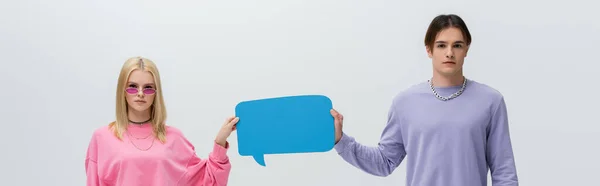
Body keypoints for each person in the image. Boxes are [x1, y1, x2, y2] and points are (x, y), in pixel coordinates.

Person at [330, 14, 519, 186]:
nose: (449, 53)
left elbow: (504, 173)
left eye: (457, 45)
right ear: (429, 50)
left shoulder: (490, 101)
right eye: (441, 45)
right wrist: (341, 140)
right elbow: (384, 162)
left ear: (466, 49)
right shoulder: (405, 102)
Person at [85, 57, 238, 186]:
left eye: (148, 88)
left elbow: (208, 181)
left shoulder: (173, 137)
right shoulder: (102, 137)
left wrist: (220, 142)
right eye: (132, 87)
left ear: (156, 93)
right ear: (122, 91)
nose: (140, 93)